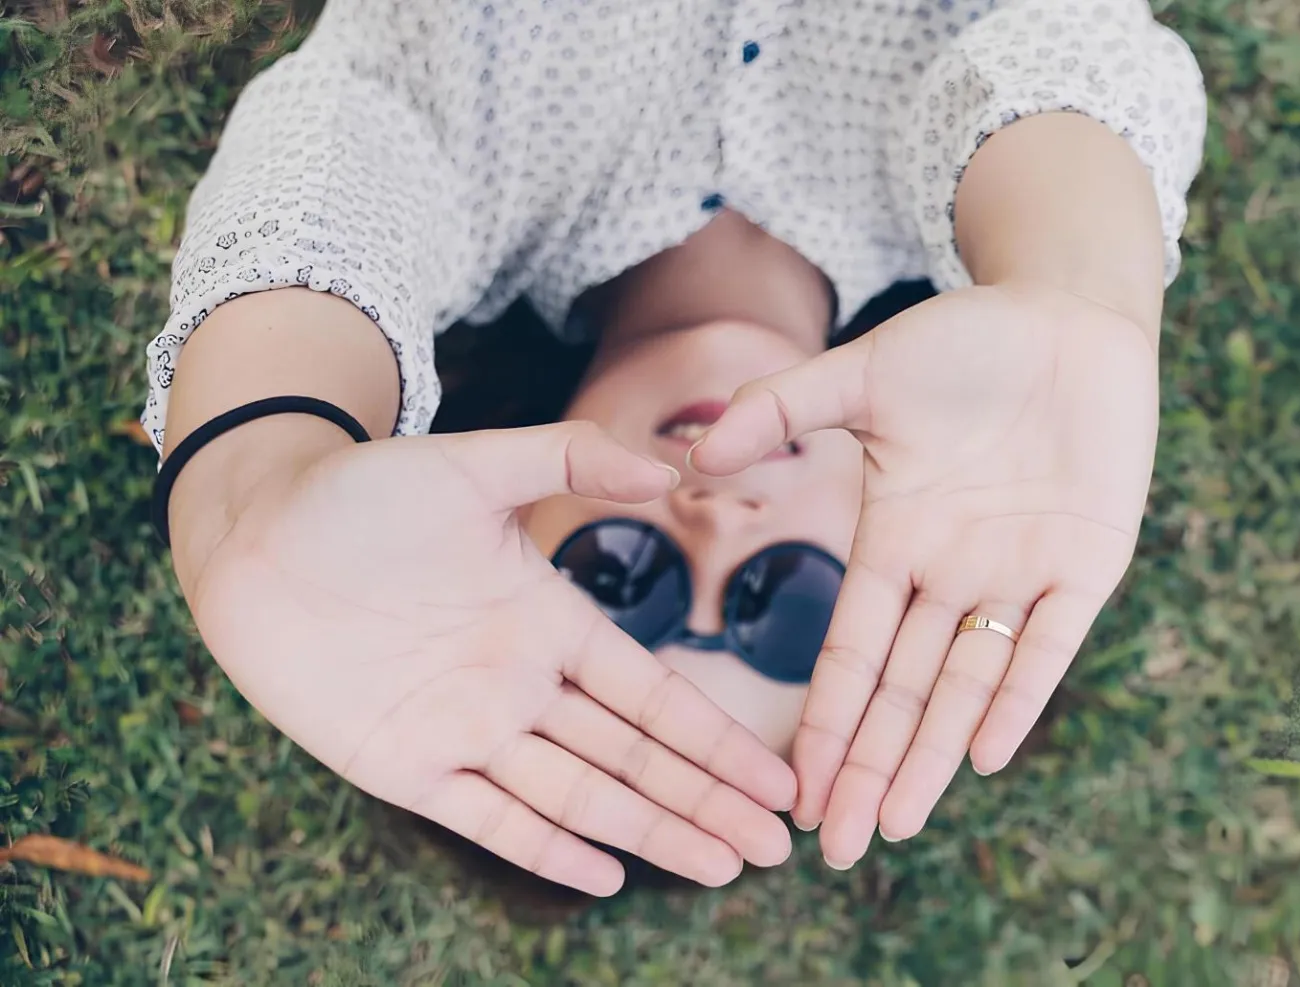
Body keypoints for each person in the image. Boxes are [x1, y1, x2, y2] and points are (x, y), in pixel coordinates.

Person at [146, 0, 1207, 897]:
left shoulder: (461, 172)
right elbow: (1058, 47)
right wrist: (1078, 288)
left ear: (505, 528)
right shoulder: (972, 190)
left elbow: (339, 168)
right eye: (788, 601)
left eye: (620, 582)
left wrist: (249, 484)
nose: (713, 523)